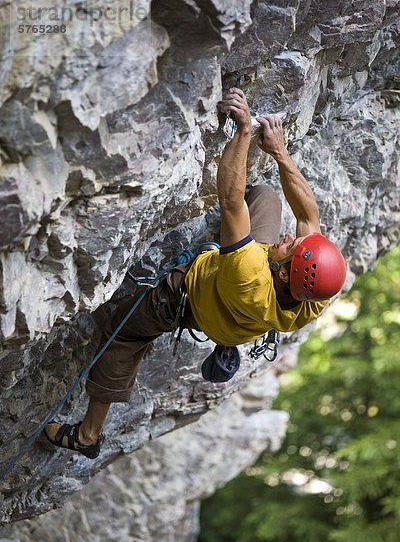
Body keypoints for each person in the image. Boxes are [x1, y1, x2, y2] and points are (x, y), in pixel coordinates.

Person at [44, 88, 346, 458]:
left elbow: (230, 200)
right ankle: (228, 313)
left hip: (189, 300)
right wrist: (279, 153)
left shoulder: (249, 272)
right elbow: (307, 216)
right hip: (244, 310)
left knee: (122, 335)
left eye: (290, 248)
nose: (289, 238)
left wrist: (244, 134)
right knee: (266, 195)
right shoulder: (315, 293)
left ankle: (88, 435)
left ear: (283, 273)